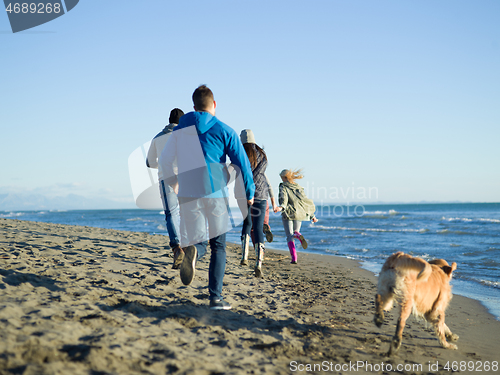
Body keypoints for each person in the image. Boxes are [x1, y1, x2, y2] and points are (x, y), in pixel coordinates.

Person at [160, 85, 255, 310]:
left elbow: (165, 160)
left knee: (199, 241)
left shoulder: (179, 131)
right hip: (214, 193)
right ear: (214, 105)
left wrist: (173, 181)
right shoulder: (225, 130)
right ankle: (215, 298)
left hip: (187, 194)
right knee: (219, 245)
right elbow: (243, 164)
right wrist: (249, 193)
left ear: (193, 107)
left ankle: (194, 252)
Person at [146, 108, 184, 269]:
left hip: (166, 178)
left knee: (171, 213)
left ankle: (177, 247)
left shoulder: (157, 137)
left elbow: (149, 162)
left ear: (168, 120)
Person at [238, 130, 278, 278]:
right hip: (261, 194)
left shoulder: (241, 153)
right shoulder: (263, 155)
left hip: (245, 193)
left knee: (247, 224)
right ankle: (259, 263)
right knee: (258, 228)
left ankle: (244, 257)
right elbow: (261, 175)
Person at [277, 169, 318, 264]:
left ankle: (294, 258)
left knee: (289, 236)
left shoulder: (283, 186)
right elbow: (304, 202)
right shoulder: (299, 187)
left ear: (284, 177)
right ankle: (297, 234)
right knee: (295, 232)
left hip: (288, 212)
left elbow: (284, 199)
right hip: (300, 213)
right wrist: (312, 216)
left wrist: (281, 207)